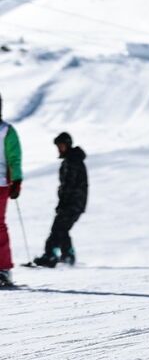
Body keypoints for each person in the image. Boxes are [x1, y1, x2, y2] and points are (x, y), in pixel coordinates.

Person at [33, 133, 88, 267]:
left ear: (68, 145)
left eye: (61, 146)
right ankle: (66, 256)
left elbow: (69, 185)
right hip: (74, 202)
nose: (59, 149)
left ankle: (52, 255)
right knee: (62, 229)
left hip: (73, 202)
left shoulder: (72, 161)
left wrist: (63, 202)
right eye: (58, 146)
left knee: (58, 228)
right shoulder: (72, 159)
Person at [0, 93, 23, 287]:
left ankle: (3, 269)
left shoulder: (6, 130)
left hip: (1, 183)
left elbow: (14, 157)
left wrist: (16, 180)